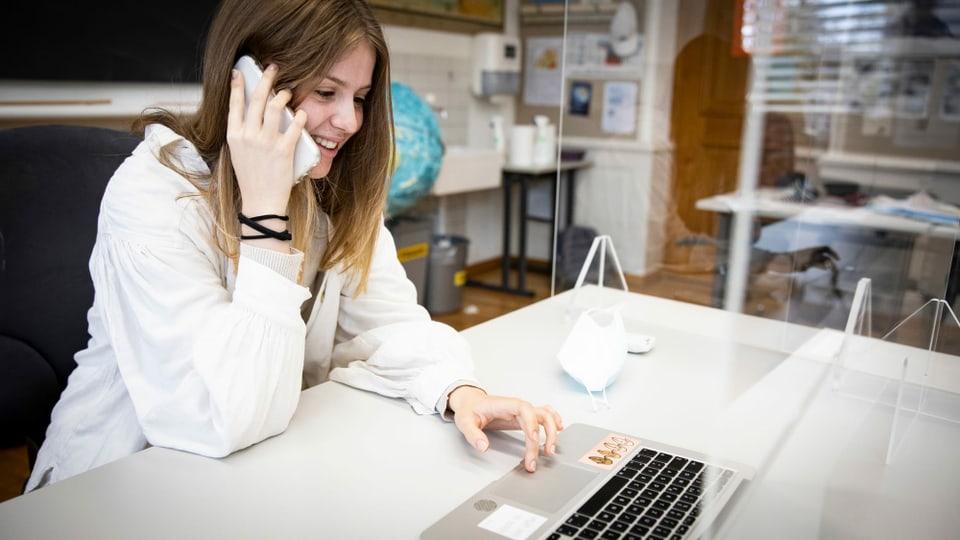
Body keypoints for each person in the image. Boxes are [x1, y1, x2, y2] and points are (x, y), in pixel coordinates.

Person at [25, 0, 562, 492]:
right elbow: (227, 416)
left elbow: (387, 323)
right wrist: (265, 217)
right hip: (120, 481)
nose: (349, 121)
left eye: (360, 97)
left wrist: (458, 390)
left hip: (263, 471)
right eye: (326, 93)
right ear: (248, 81)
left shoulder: (330, 189)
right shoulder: (155, 194)